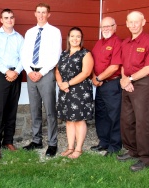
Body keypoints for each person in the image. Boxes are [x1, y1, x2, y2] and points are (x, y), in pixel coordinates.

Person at [117, 11, 149, 171]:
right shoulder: (125, 42)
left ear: (143, 22)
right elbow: (122, 65)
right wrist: (124, 80)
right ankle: (133, 150)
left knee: (142, 121)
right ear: (127, 24)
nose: (134, 25)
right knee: (126, 119)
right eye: (131, 22)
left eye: (137, 22)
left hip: (143, 82)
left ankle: (146, 158)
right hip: (128, 81)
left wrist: (129, 79)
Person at [21, 3, 62, 157]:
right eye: (38, 12)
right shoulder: (30, 32)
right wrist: (29, 71)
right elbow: (25, 54)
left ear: (48, 14)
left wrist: (42, 72)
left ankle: (52, 143)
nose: (41, 15)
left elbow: (56, 55)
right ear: (35, 13)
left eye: (44, 12)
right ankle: (37, 140)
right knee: (34, 109)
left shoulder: (54, 32)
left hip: (46, 74)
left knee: (50, 110)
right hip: (31, 74)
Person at [0, 9, 24, 159]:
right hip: (1, 75)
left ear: (14, 19)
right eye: (6, 18)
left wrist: (16, 71)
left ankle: (8, 141)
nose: (9, 20)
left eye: (11, 17)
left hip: (16, 74)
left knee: (12, 109)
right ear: (1, 20)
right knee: (1, 110)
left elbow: (24, 57)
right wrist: (6, 71)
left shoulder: (19, 38)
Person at [56, 27, 94, 159]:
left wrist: (68, 83)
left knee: (79, 120)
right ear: (69, 38)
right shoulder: (64, 53)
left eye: (78, 36)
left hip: (80, 90)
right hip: (65, 90)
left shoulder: (85, 53)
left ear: (81, 38)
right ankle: (70, 147)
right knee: (69, 120)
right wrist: (61, 83)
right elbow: (57, 69)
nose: (75, 39)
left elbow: (86, 73)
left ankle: (78, 149)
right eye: (72, 36)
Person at [90, 17, 122, 156]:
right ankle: (103, 142)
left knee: (114, 115)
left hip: (112, 84)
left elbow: (115, 66)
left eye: (109, 26)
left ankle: (114, 146)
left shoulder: (117, 43)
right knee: (101, 114)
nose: (106, 29)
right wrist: (93, 77)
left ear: (115, 27)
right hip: (99, 85)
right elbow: (92, 62)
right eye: (103, 26)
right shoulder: (99, 43)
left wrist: (98, 78)